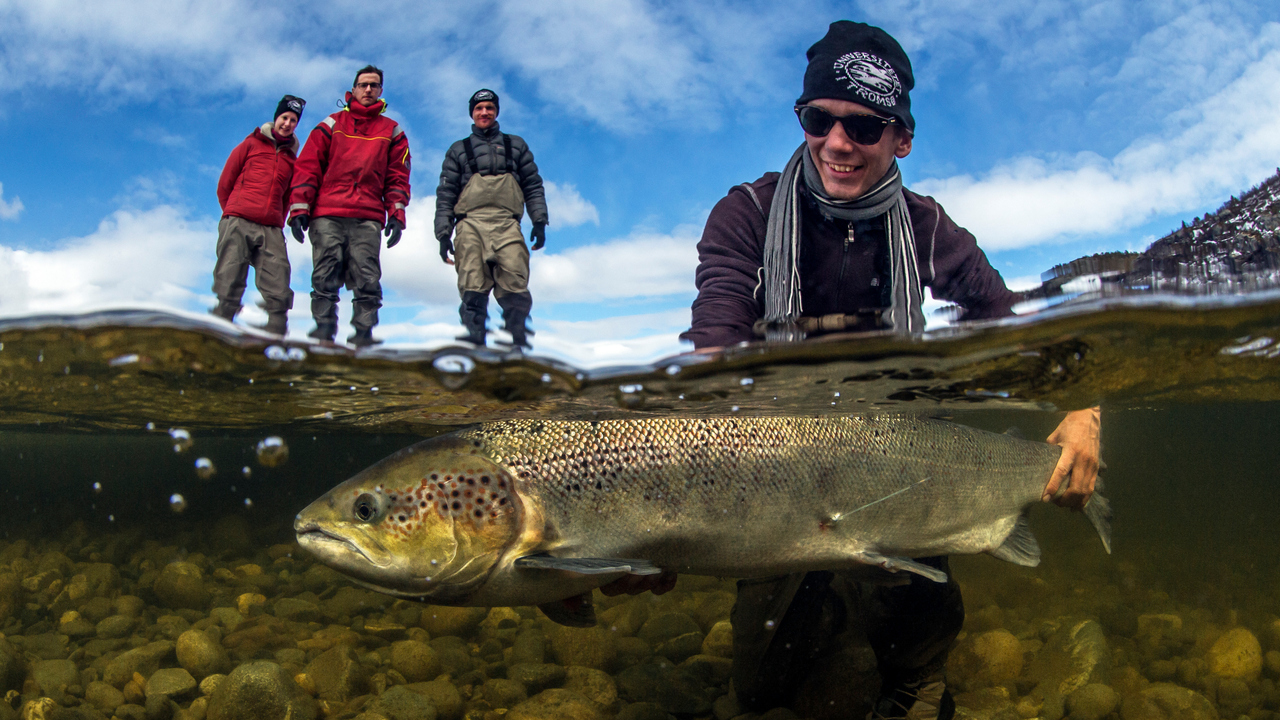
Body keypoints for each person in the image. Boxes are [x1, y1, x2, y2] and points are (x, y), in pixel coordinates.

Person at [641, 21, 1100, 720]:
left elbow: (1016, 333)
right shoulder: (746, 214)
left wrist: (1084, 410)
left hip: (901, 451)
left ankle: (912, 662)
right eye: (818, 119)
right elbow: (715, 349)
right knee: (761, 688)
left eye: (864, 127)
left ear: (901, 138)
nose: (836, 143)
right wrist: (668, 515)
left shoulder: (930, 229)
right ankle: (819, 600)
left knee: (916, 651)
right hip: (781, 462)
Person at [288, 65, 411, 348]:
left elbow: (398, 177)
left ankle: (362, 341)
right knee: (324, 278)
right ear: (353, 89)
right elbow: (308, 167)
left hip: (367, 217)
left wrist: (396, 213)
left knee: (368, 282)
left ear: (381, 91)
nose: (368, 90)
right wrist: (299, 209)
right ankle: (323, 338)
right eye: (363, 85)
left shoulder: (392, 131)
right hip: (327, 214)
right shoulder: (330, 124)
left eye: (374, 85)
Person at [434, 89, 549, 349]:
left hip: (507, 223)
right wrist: (443, 234)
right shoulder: (458, 149)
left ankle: (516, 356)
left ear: (496, 111)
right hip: (469, 224)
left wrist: (539, 220)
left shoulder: (516, 145)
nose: (484, 112)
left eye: (489, 107)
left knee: (516, 291)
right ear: (472, 113)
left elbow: (533, 185)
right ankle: (476, 356)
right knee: (472, 292)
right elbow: (446, 194)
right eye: (478, 108)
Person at [212, 95, 306, 335]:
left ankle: (274, 340)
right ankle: (219, 335)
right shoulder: (250, 145)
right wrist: (233, 213)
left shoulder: (292, 160)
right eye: (284, 118)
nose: (287, 124)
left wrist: (277, 219)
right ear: (276, 118)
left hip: (271, 229)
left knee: (279, 288)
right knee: (228, 283)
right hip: (238, 222)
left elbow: (287, 198)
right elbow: (225, 183)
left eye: (293, 120)